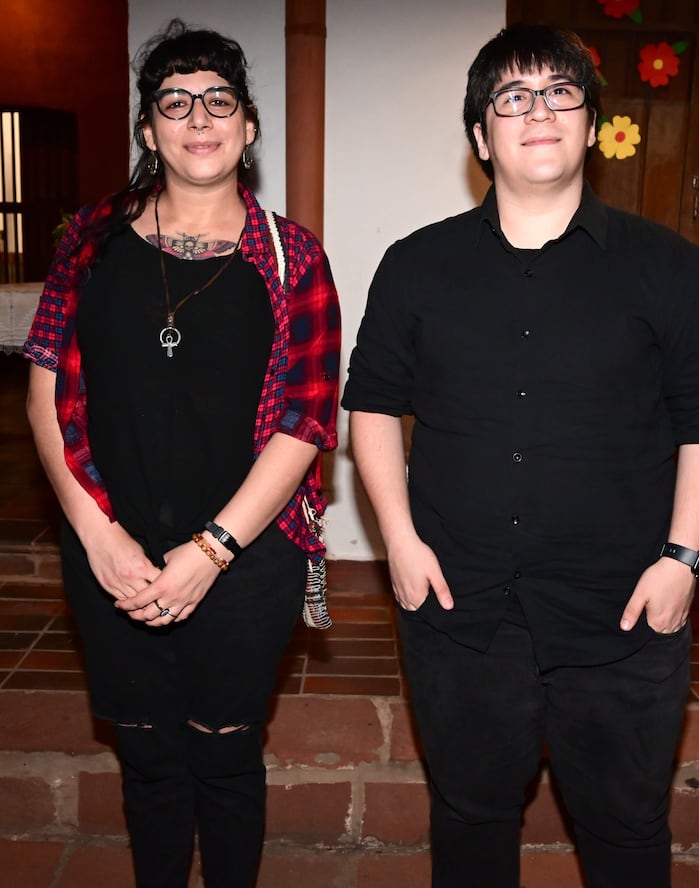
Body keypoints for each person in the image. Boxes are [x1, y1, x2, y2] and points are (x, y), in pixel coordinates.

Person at [342, 23, 699, 888]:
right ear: (479, 136)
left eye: (561, 92)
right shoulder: (416, 266)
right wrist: (400, 545)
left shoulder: (672, 271)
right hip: (458, 603)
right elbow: (372, 405)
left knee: (624, 825)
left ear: (593, 124)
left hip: (625, 609)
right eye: (513, 96)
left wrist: (684, 558)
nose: (540, 110)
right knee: (468, 815)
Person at [24, 19, 340, 888]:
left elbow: (307, 422)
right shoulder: (87, 242)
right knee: (150, 759)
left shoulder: (293, 258)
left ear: (246, 128)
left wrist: (211, 551)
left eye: (219, 102)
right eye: (174, 103)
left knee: (226, 759)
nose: (198, 119)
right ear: (148, 129)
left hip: (246, 558)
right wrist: (97, 536)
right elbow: (47, 391)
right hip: (109, 548)